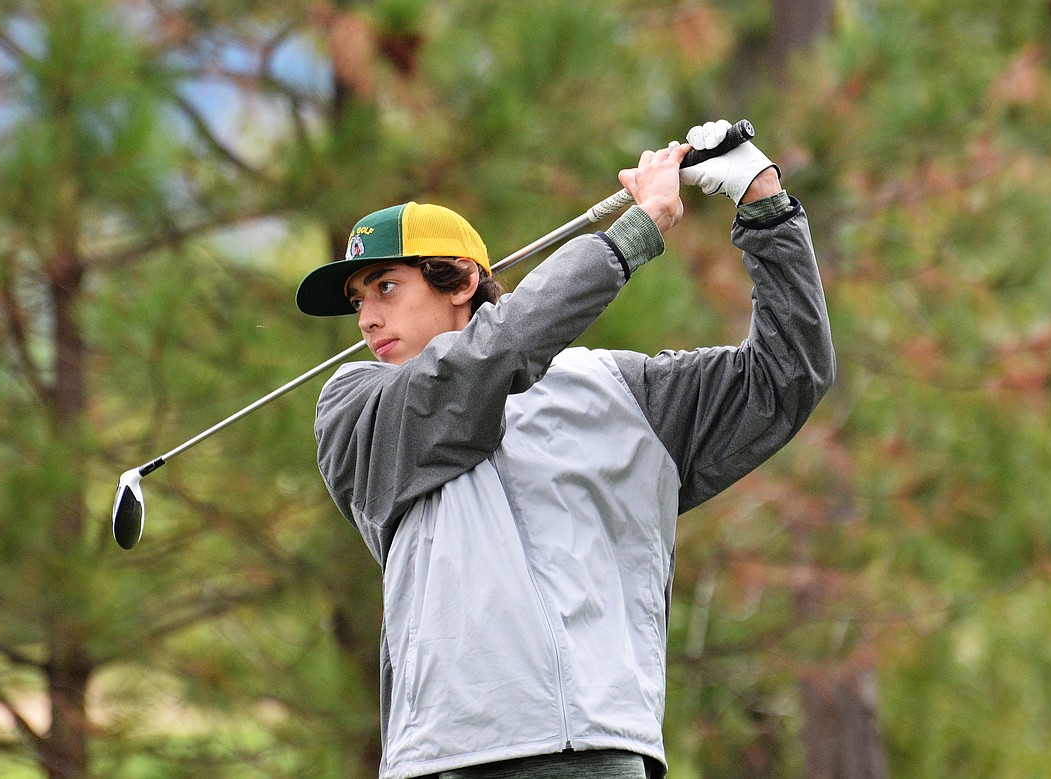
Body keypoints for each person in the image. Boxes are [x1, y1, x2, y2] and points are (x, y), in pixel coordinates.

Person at [295, 120, 834, 779]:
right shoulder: (357, 407)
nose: (367, 318)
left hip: (599, 752)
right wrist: (635, 234)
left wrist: (763, 203)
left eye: (385, 286)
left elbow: (789, 375)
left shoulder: (620, 391)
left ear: (461, 281)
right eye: (357, 300)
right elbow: (490, 358)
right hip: (449, 758)